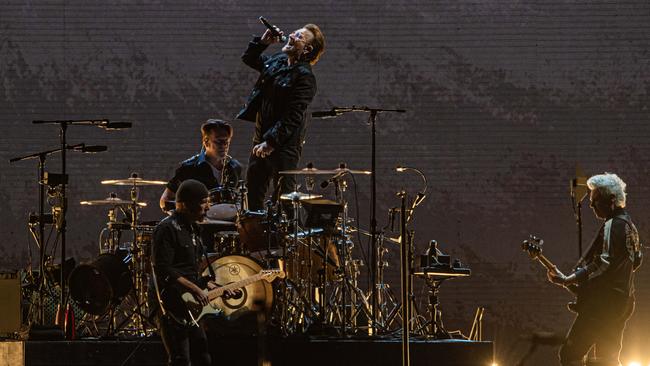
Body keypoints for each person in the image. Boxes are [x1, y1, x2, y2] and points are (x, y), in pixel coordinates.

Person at [547, 173, 642, 366]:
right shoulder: (630, 226)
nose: (591, 206)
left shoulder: (612, 225)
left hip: (602, 304)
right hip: (622, 302)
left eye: (595, 200)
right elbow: (637, 260)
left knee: (570, 354)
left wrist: (569, 279)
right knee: (606, 359)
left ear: (612, 200)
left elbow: (603, 263)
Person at [237, 22, 325, 211]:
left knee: (284, 203)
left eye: (299, 36)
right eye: (294, 32)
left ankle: (284, 240)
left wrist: (271, 142)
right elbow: (249, 58)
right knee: (252, 196)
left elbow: (293, 116)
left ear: (307, 49)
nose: (292, 36)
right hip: (261, 139)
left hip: (283, 146)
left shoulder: (305, 77)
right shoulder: (277, 61)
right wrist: (263, 42)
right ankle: (256, 239)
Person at [150, 179, 213, 366]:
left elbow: (190, 271)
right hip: (169, 303)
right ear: (185, 205)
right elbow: (163, 268)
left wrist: (211, 285)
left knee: (203, 357)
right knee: (180, 359)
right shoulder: (166, 228)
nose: (208, 207)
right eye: (203, 202)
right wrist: (195, 289)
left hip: (189, 303)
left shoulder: (193, 228)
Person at [160, 119, 243, 212]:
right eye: (219, 142)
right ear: (206, 142)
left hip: (229, 223)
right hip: (199, 224)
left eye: (227, 142)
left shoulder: (235, 167)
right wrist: (188, 211)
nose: (224, 146)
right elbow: (165, 200)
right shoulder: (189, 168)